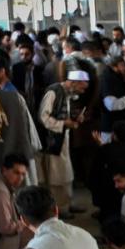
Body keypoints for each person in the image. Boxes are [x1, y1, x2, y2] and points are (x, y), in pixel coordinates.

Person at [38, 69, 90, 218]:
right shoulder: (53, 92)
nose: (81, 91)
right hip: (52, 142)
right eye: (81, 87)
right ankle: (58, 209)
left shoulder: (67, 93)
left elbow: (63, 112)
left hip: (63, 140)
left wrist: (74, 118)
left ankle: (66, 203)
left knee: (66, 174)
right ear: (73, 82)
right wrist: (64, 123)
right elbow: (43, 118)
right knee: (57, 177)